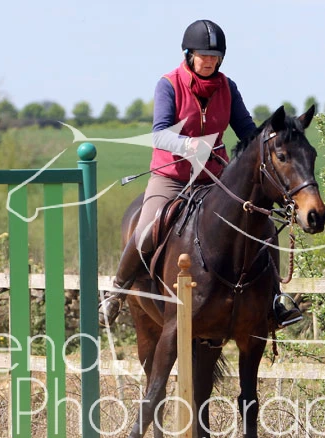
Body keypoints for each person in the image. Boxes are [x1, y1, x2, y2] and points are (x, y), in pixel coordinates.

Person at [99, 19, 302, 329]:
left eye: (215, 56)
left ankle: (275, 300)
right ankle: (116, 293)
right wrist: (189, 144)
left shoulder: (228, 88)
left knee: (264, 229)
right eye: (203, 55)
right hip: (173, 176)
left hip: (215, 178)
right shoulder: (169, 84)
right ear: (189, 55)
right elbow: (160, 134)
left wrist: (274, 137)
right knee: (147, 229)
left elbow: (247, 132)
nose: (209, 61)